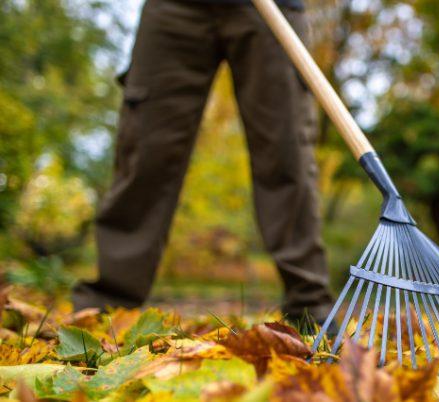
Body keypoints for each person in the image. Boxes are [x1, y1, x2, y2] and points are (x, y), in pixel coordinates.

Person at [71, 0, 334, 325]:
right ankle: (108, 303)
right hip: (175, 7)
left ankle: (311, 307)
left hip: (273, 8)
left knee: (287, 152)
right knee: (146, 149)